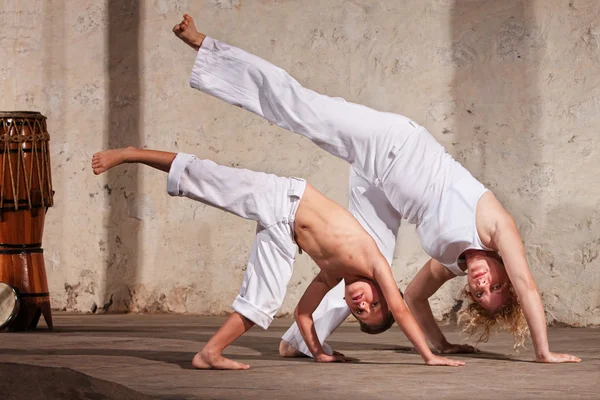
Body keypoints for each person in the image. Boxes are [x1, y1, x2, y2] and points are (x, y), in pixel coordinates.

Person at [172, 14, 581, 363]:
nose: (480, 284)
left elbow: (415, 299)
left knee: (366, 263)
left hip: (381, 186)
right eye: (494, 285)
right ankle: (207, 49)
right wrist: (543, 352)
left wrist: (441, 346)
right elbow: (528, 285)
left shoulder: (451, 263)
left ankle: (299, 341)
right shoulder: (497, 227)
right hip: (394, 144)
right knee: (303, 110)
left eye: (479, 294)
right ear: (504, 273)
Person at [91, 147, 465, 369]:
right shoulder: (374, 261)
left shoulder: (332, 276)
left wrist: (318, 352)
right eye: (372, 304)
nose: (360, 305)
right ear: (386, 291)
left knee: (265, 303)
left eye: (360, 313)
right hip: (284, 198)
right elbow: (402, 310)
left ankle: (209, 353)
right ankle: (130, 154)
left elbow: (303, 314)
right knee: (206, 179)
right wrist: (428, 357)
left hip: (283, 233)